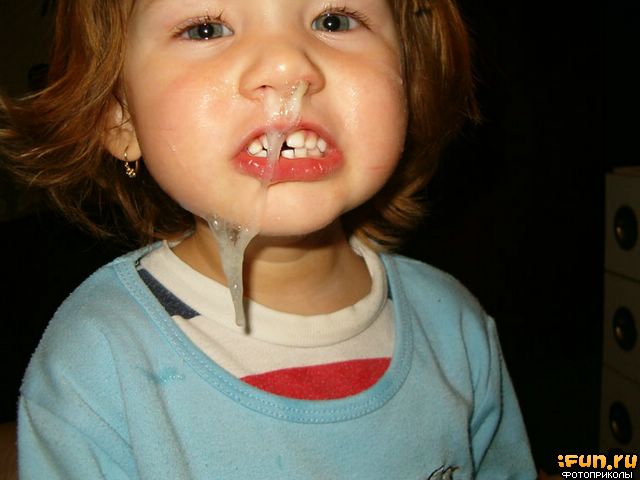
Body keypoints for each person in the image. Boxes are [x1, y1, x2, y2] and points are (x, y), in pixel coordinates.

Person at [1, 0, 537, 478]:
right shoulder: (97, 363)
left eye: (334, 20)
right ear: (120, 118)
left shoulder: (455, 330)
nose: (287, 67)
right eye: (206, 28)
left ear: (407, 83)